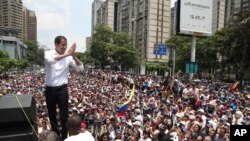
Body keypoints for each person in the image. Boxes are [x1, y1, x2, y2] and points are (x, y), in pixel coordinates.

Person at [44, 35, 83, 140]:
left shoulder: (68, 56)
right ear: (56, 44)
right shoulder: (48, 53)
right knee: (52, 115)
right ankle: (56, 136)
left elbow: (80, 68)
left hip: (62, 89)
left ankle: (65, 137)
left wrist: (73, 55)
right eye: (62, 45)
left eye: (66, 45)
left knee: (64, 115)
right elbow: (52, 60)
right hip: (50, 89)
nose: (65, 47)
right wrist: (67, 54)